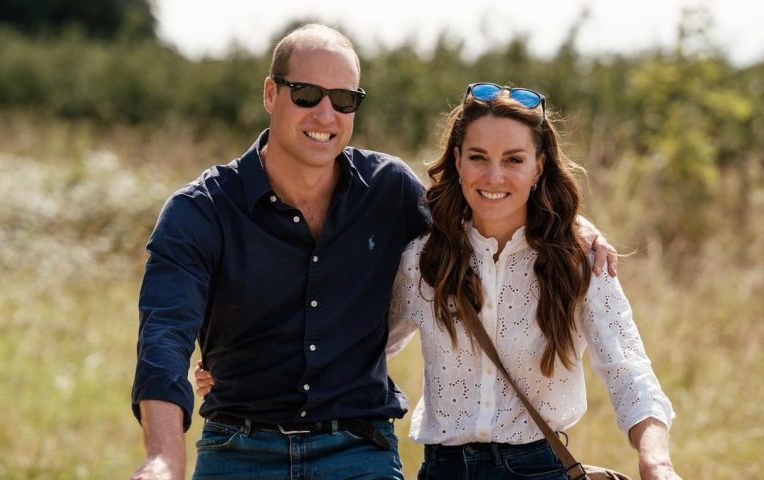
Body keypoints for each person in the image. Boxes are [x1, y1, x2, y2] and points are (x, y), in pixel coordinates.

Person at [133, 23, 615, 480]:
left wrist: (572, 224)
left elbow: (483, 214)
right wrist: (162, 458)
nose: (325, 114)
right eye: (306, 94)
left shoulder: (388, 192)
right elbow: (164, 337)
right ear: (270, 94)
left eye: (344, 100)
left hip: (358, 451)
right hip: (238, 449)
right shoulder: (201, 211)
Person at [199, 82, 681, 479]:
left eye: (514, 159)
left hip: (538, 467)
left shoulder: (578, 262)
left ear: (539, 168)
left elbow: (627, 370)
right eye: (478, 157)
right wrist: (250, 368)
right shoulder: (423, 259)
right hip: (443, 470)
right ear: (457, 161)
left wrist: (654, 460)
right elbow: (355, 345)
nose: (494, 175)